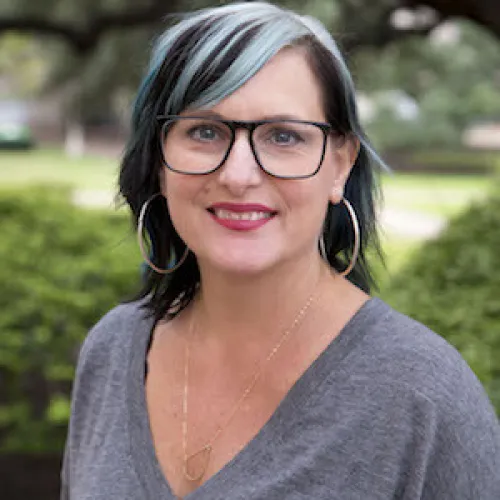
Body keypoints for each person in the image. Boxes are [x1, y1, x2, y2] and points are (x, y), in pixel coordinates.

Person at [60, 2, 500, 499]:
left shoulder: (423, 396)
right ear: (157, 159)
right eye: (204, 131)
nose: (238, 175)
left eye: (283, 136)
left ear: (339, 165)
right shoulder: (113, 349)